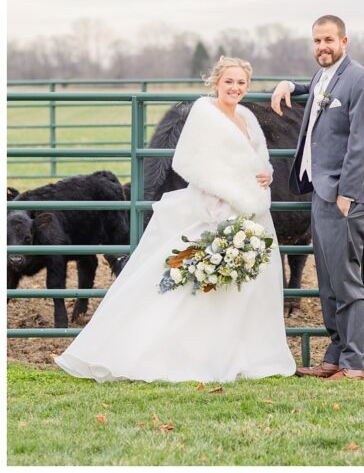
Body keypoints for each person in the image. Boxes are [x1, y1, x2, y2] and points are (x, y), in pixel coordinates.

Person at [55, 57, 295, 382]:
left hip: (252, 210)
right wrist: (226, 195)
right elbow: (191, 162)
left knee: (246, 289)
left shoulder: (248, 117)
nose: (235, 88)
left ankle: (241, 356)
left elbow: (258, 158)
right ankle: (186, 356)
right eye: (229, 82)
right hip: (215, 208)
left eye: (241, 83)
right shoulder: (203, 114)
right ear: (216, 83)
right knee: (197, 287)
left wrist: (264, 173)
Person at [271, 15, 364, 381]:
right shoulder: (324, 76)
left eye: (328, 41)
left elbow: (362, 142)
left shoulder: (361, 79)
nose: (322, 47)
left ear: (344, 41)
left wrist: (347, 193)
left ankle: (356, 363)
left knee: (346, 278)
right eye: (317, 41)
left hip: (344, 194)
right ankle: (335, 355)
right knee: (328, 279)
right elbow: (314, 88)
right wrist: (289, 84)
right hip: (320, 192)